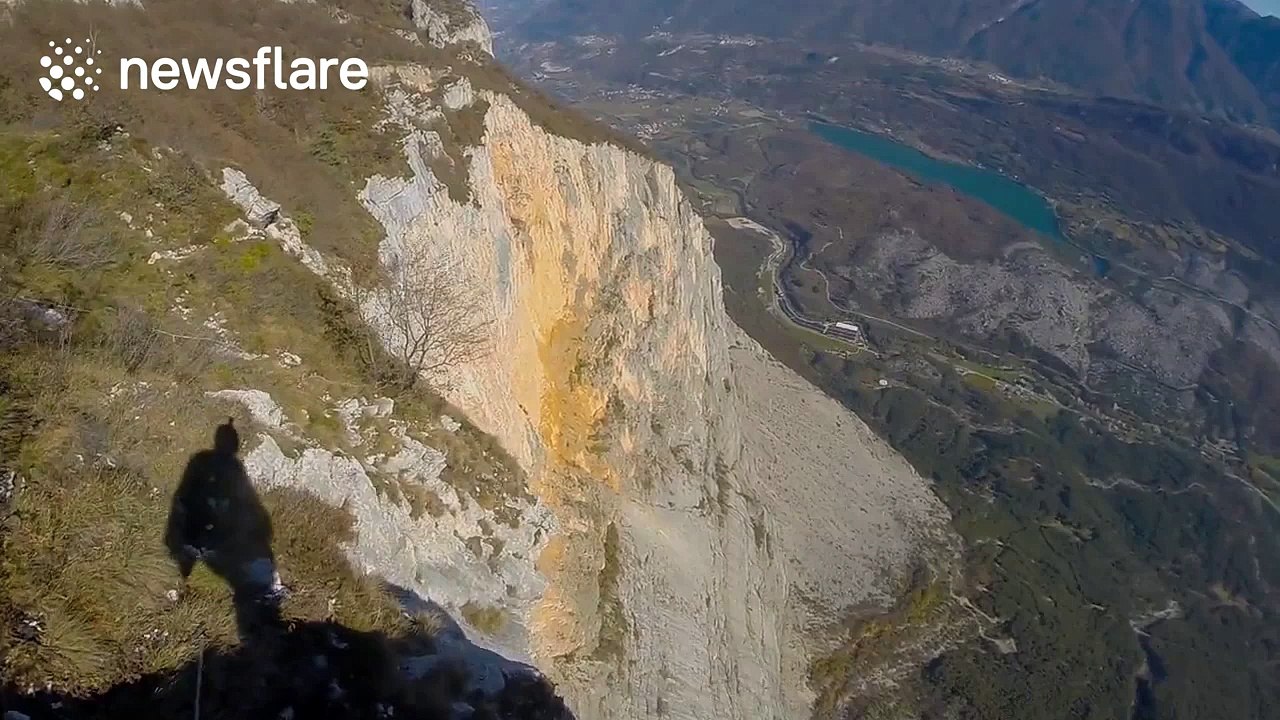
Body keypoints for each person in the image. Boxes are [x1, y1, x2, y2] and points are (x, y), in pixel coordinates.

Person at [165, 419, 283, 639]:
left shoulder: (204, 461)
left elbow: (186, 498)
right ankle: (259, 598)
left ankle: (255, 592)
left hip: (200, 531)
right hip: (206, 533)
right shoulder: (224, 466)